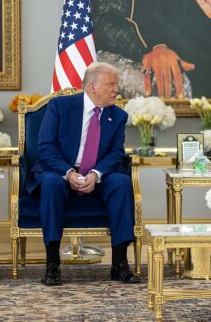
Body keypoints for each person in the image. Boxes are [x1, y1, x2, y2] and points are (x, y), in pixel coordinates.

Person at [28, 62, 140, 285]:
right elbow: (46, 147)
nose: (116, 89)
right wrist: (69, 173)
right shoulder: (60, 106)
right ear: (92, 86)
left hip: (98, 177)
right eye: (111, 84)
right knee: (50, 182)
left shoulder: (117, 116)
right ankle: (52, 264)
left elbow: (116, 152)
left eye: (116, 84)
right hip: (60, 172)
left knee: (122, 182)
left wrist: (96, 174)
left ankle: (120, 263)